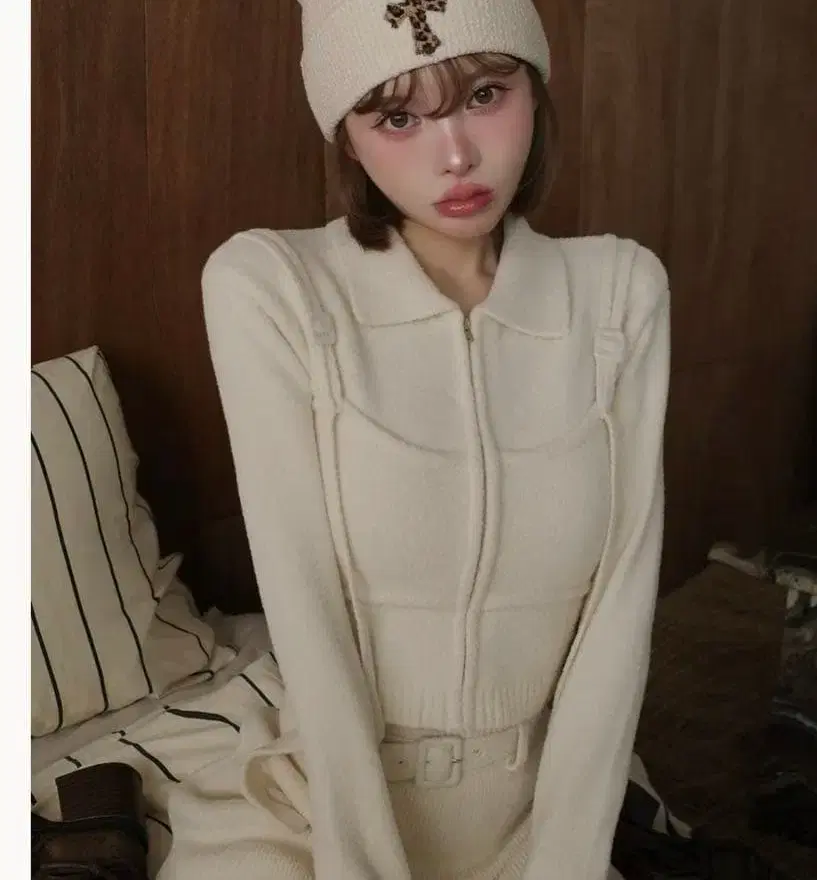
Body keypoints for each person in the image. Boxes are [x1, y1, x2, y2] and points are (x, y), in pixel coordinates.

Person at [160, 1, 674, 878]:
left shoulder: (620, 293)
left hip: (541, 820)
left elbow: (621, 612)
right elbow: (305, 608)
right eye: (397, 117)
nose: (456, 156)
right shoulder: (273, 288)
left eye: (484, 95)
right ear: (348, 138)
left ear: (535, 91)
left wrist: (566, 861)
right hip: (316, 816)